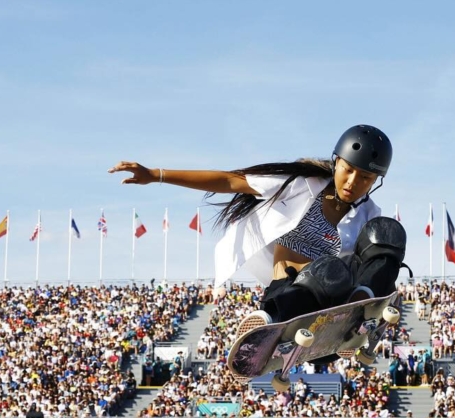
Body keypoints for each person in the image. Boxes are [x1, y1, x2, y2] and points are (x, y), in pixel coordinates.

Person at [109, 126, 408, 334]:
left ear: (375, 181)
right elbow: (229, 181)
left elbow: (378, 261)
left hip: (338, 300)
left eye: (365, 178)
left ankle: (360, 307)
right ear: (336, 163)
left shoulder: (368, 214)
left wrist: (381, 290)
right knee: (327, 273)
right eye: (348, 170)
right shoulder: (298, 184)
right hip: (293, 293)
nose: (353, 182)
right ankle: (269, 319)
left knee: (387, 233)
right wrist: (156, 175)